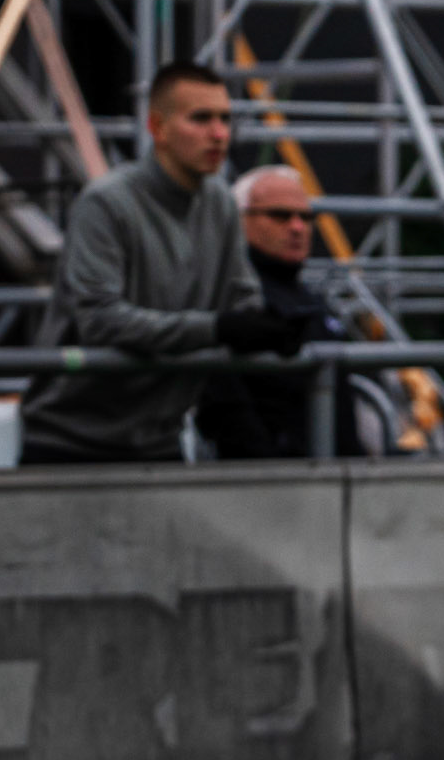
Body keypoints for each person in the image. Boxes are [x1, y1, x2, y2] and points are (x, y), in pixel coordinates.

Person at [19, 62, 301, 466]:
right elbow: (100, 319)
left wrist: (271, 325)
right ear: (158, 128)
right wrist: (219, 328)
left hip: (160, 441)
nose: (220, 133)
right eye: (201, 118)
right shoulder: (106, 203)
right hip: (70, 444)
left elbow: (241, 300)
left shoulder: (220, 203)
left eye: (225, 118)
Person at [195, 166, 357, 460]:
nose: (297, 227)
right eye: (280, 216)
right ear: (239, 220)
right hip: (276, 486)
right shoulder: (229, 293)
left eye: (306, 217)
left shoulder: (306, 294)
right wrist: (265, 465)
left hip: (334, 480)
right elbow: (220, 395)